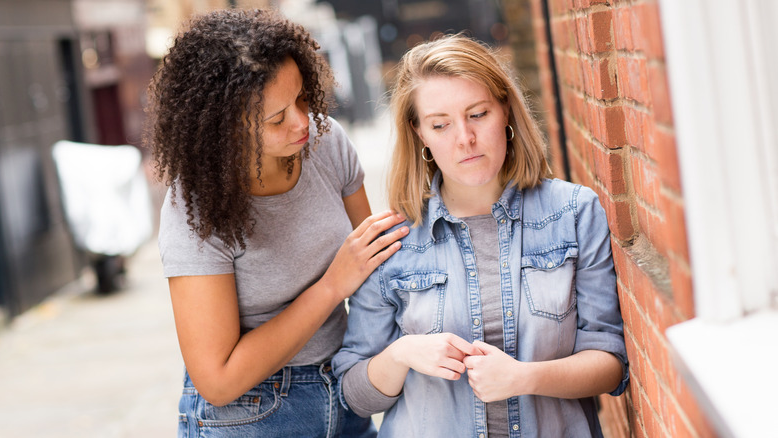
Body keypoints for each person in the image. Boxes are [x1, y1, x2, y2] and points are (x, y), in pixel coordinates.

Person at [332, 35, 629, 437]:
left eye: (477, 114)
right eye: (440, 124)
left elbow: (610, 364)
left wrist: (523, 378)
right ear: (420, 134)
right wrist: (401, 353)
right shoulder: (392, 243)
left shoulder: (573, 213)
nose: (464, 138)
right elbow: (355, 396)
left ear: (505, 110)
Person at [145, 9, 408, 437]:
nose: (303, 121)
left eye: (302, 98)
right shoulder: (194, 206)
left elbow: (373, 267)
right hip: (250, 413)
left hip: (344, 390)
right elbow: (218, 380)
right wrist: (330, 287)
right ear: (225, 128)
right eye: (277, 118)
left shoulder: (327, 143)